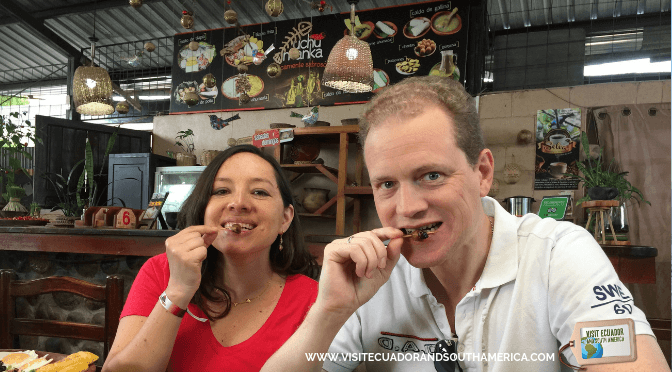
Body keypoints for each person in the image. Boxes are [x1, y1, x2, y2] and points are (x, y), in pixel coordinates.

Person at [261, 76, 669, 372]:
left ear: (482, 173)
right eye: (387, 184)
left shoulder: (556, 253)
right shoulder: (373, 276)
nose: (407, 207)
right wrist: (329, 311)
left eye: (431, 175)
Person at [102, 145, 319, 372]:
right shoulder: (161, 272)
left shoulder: (314, 302)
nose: (238, 203)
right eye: (222, 191)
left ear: (285, 218)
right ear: (203, 209)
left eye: (259, 192)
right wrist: (177, 291)